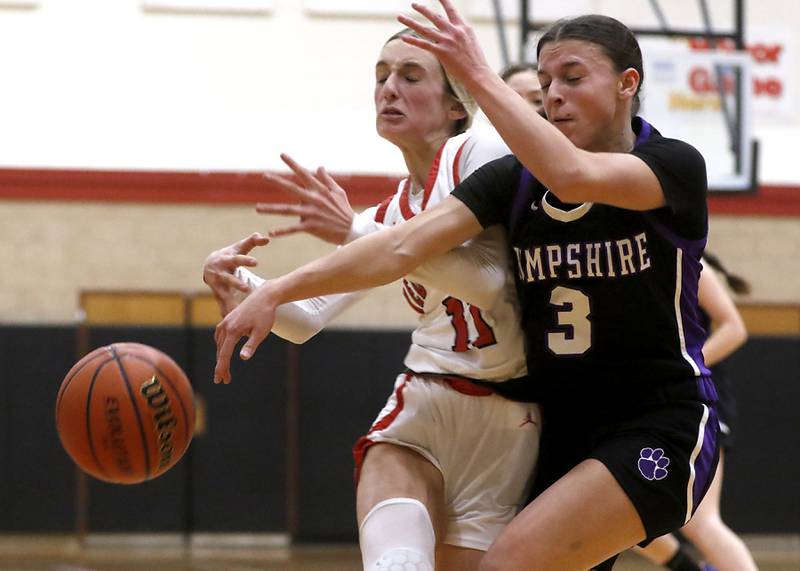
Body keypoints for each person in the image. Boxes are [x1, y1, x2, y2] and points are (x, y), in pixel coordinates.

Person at [212, 1, 720, 569]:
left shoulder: (673, 165)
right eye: (546, 80)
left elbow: (574, 175)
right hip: (562, 426)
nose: (553, 93)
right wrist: (274, 289)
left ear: (629, 83)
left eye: (572, 78)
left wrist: (476, 72)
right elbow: (401, 245)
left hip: (655, 418)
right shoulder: (512, 180)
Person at [204, 28, 541, 571]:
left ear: (457, 104)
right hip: (428, 397)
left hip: (512, 417)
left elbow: (493, 287)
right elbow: (306, 320)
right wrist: (242, 287)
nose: (389, 88)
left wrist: (359, 236)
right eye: (381, 75)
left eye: (410, 76)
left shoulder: (477, 151)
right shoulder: (386, 216)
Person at [637, 254, 757, 571]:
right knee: (629, 508)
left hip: (700, 396)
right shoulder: (633, 256)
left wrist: (684, 366)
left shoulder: (685, 257)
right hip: (656, 400)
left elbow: (735, 328)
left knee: (701, 520)